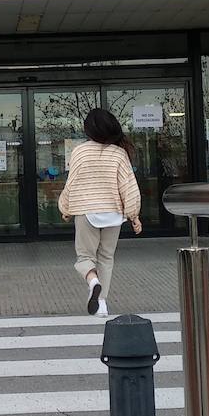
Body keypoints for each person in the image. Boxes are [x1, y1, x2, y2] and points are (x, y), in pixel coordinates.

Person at [58, 108, 142, 316]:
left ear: (89, 130)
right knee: (106, 257)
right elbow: (128, 186)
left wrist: (65, 208)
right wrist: (134, 215)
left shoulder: (80, 152)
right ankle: (101, 303)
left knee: (84, 256)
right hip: (113, 213)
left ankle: (93, 281)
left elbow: (72, 183)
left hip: (86, 211)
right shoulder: (119, 153)